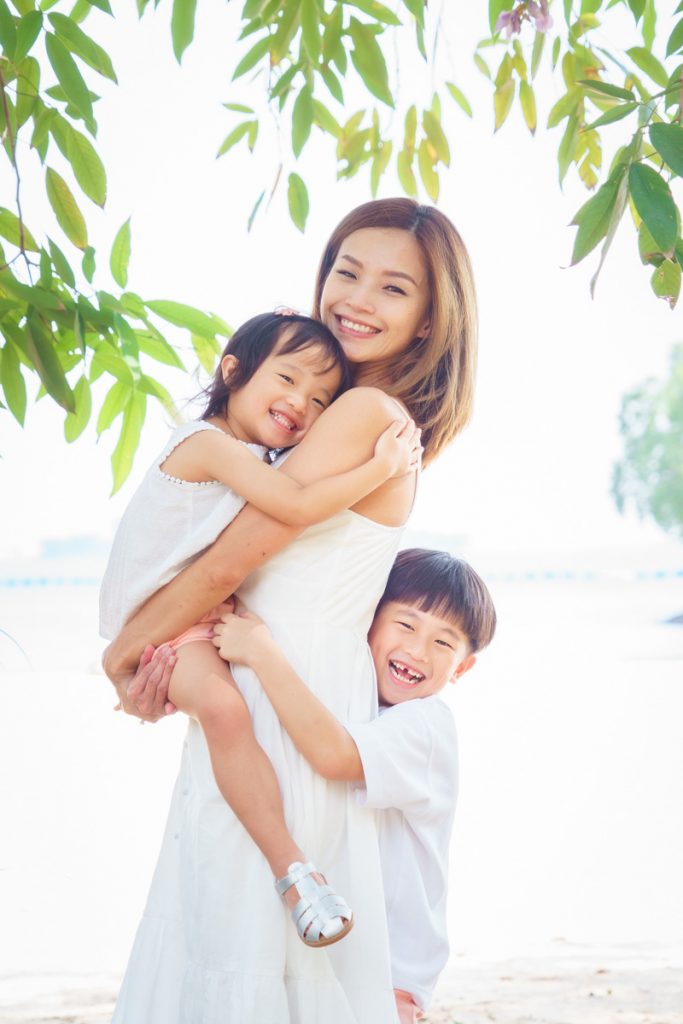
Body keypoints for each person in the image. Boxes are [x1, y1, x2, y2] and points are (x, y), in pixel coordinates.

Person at [103, 198, 478, 1024]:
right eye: (347, 272)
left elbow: (235, 557)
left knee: (241, 943)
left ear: (427, 321)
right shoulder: (330, 410)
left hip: (285, 696)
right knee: (233, 937)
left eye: (392, 289)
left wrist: (122, 652)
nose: (356, 298)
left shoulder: (363, 416)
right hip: (277, 679)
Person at [99, 311, 419, 947]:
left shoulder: (256, 455)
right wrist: (380, 469)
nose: (301, 403)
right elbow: (296, 508)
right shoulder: (207, 445)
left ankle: (296, 874)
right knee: (224, 709)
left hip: (183, 619)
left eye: (320, 398)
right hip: (158, 624)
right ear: (233, 372)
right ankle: (294, 875)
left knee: (224, 715)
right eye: (288, 378)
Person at [212, 548, 497, 1023]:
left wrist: (261, 651)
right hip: (346, 954)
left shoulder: (426, 726)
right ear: (368, 621)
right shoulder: (361, 704)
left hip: (391, 974)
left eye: (443, 644)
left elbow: (333, 755)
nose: (417, 651)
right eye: (405, 626)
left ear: (462, 669)